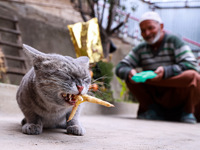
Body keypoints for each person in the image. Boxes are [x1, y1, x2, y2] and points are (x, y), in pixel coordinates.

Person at [115, 11, 200, 124]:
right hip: (155, 93)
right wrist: (130, 71)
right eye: (143, 30)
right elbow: (121, 67)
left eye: (151, 28)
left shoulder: (174, 41)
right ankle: (153, 110)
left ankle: (187, 111)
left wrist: (166, 72)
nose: (147, 33)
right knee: (130, 77)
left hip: (177, 91)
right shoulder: (141, 48)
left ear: (161, 26)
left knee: (193, 76)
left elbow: (191, 64)